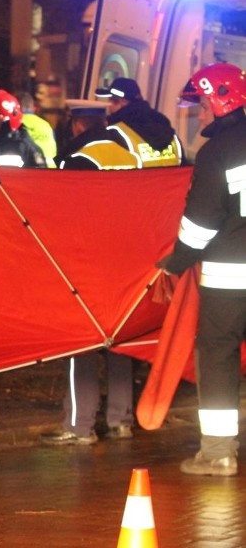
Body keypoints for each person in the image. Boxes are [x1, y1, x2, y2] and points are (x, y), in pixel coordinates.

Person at [41, 100, 153, 447]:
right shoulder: (127, 150)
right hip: (127, 259)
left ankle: (80, 425)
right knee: (119, 340)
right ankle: (121, 420)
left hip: (88, 262)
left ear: (75, 124)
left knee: (82, 344)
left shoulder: (77, 157)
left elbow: (63, 211)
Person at [160, 62, 246, 476]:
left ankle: (217, 453)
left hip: (229, 281)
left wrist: (174, 262)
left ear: (218, 101)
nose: (198, 113)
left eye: (201, 104)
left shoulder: (217, 153)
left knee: (217, 357)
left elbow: (200, 224)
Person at [95, 77, 183, 168]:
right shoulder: (164, 125)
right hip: (169, 181)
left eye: (110, 101)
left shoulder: (116, 131)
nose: (109, 107)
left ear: (122, 102)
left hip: (133, 181)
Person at [17, 91, 57, 167]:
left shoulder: (17, 123)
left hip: (31, 171)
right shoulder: (46, 125)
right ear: (33, 108)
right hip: (51, 171)